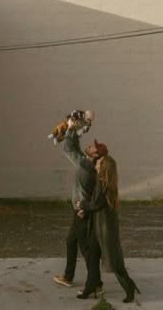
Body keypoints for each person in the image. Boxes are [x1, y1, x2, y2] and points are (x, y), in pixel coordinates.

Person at [76, 154, 140, 303]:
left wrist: (84, 205)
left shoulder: (104, 183)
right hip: (97, 226)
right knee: (92, 257)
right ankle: (90, 286)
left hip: (105, 228)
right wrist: (85, 210)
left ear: (103, 167)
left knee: (114, 260)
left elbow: (97, 203)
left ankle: (129, 286)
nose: (96, 162)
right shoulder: (101, 182)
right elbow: (96, 203)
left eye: (98, 162)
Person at [54, 119, 107, 293]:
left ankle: (90, 282)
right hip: (80, 210)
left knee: (83, 248)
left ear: (94, 155)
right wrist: (76, 131)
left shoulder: (86, 166)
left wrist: (69, 128)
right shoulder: (88, 163)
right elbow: (76, 149)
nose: (90, 146)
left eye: (93, 147)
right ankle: (78, 278)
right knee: (76, 243)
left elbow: (68, 149)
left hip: (81, 211)